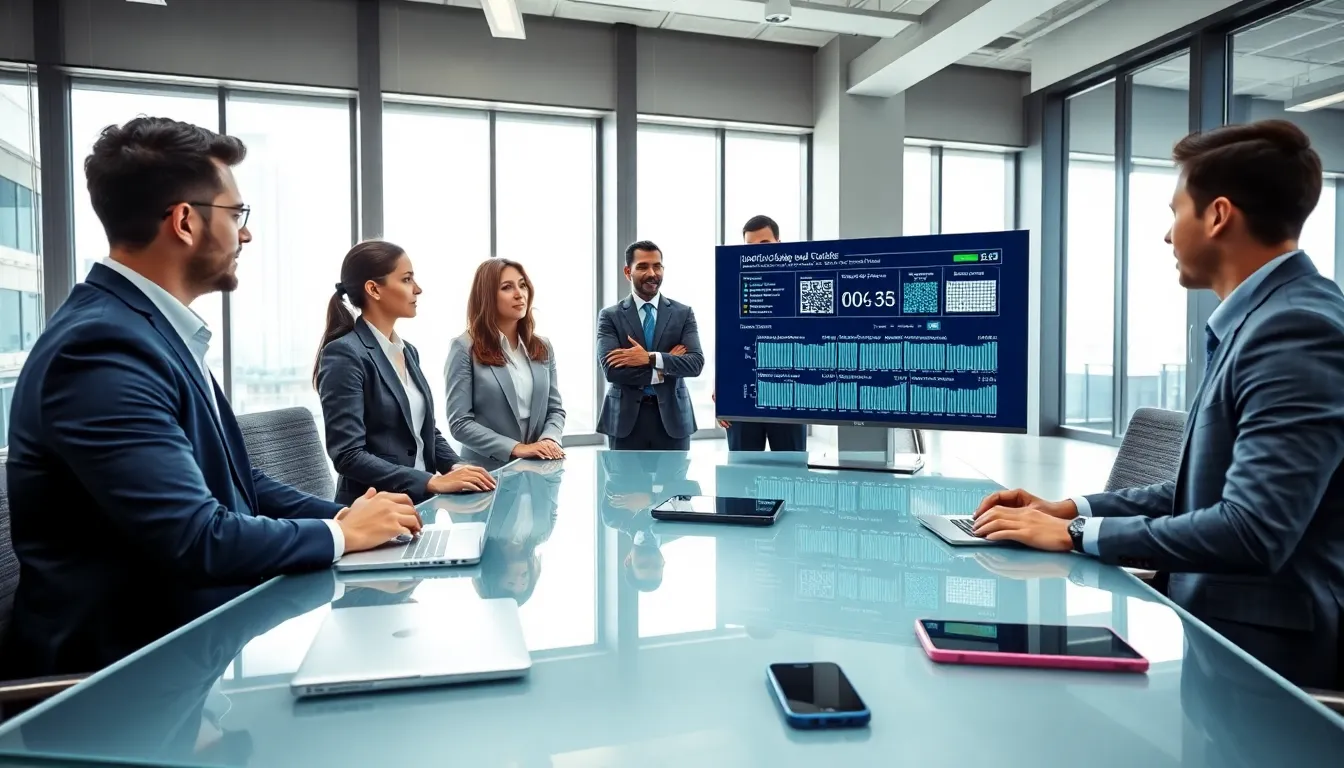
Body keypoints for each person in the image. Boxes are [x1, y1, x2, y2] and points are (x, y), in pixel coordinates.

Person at [1, 118, 422, 679]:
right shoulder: (101, 347)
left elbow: (239, 479)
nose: (245, 235)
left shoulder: (151, 330)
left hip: (192, 650)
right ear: (184, 221)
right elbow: (195, 537)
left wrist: (348, 517)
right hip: (121, 682)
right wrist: (342, 534)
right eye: (235, 215)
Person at [970, 120, 1344, 689]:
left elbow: (1252, 530)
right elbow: (1204, 490)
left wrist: (1075, 536)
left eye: (1176, 212)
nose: (1168, 236)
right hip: (1217, 635)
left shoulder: (1294, 329)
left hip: (1268, 666)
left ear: (1218, 216)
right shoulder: (1266, 318)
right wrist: (1067, 510)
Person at [315, 240, 496, 506]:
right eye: (407, 279)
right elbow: (348, 455)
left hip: (421, 503)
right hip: (374, 508)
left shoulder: (408, 351)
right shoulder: (344, 354)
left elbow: (424, 431)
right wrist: (430, 481)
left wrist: (456, 466)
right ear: (373, 289)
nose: (417, 289)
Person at [445, 258, 566, 470]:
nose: (519, 294)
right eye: (507, 287)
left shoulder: (542, 346)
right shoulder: (464, 348)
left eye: (522, 285)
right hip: (487, 473)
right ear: (487, 296)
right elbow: (460, 423)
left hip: (538, 471)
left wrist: (549, 439)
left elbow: (555, 409)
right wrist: (517, 448)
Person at [597, 240, 705, 450]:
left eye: (657, 266)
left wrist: (649, 358)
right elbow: (612, 370)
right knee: (624, 475)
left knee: (675, 474)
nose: (652, 273)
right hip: (625, 421)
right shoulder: (610, 316)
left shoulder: (683, 313)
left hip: (673, 420)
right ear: (628, 272)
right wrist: (662, 370)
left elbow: (695, 364)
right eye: (643, 267)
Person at [717, 215, 809, 452]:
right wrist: (722, 387)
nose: (757, 252)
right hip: (743, 394)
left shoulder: (801, 283)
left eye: (765, 244)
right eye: (750, 247)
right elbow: (728, 343)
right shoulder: (733, 287)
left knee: (791, 468)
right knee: (742, 469)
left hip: (789, 394)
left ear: (779, 243)